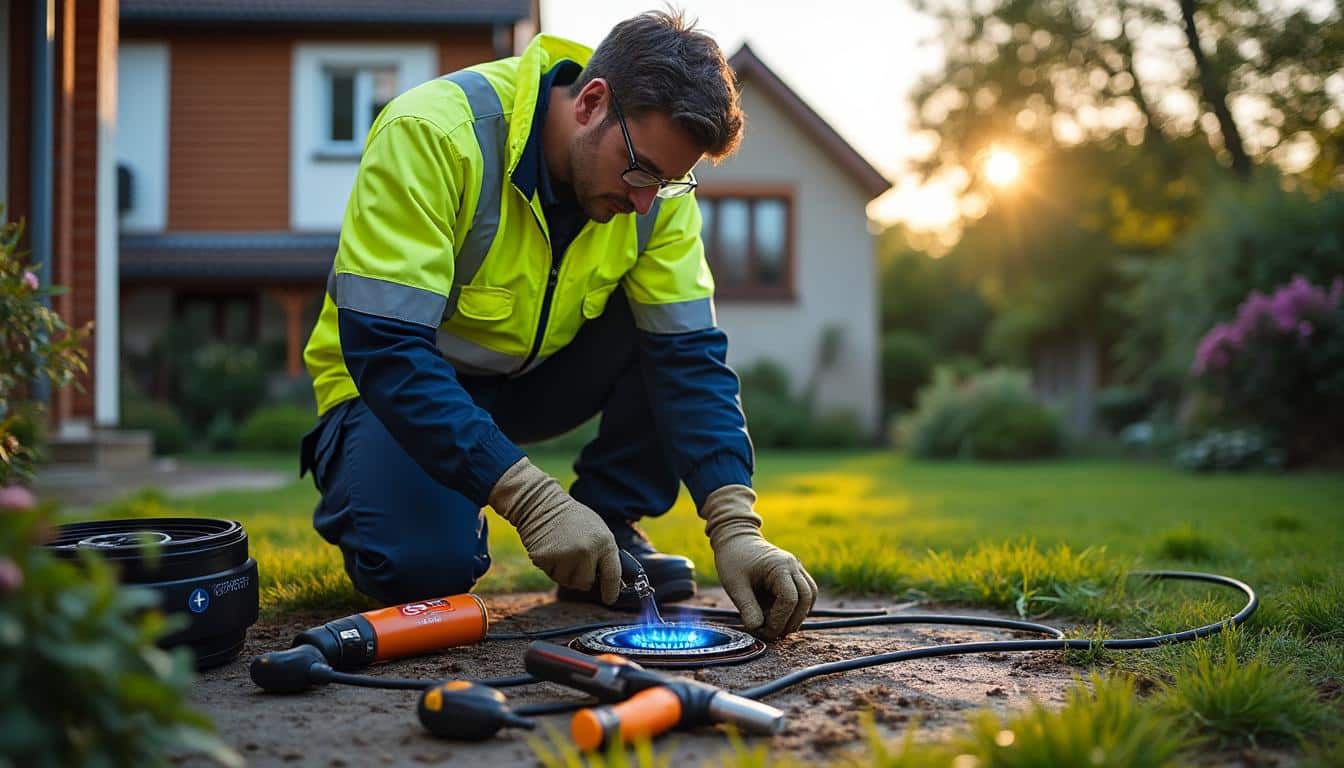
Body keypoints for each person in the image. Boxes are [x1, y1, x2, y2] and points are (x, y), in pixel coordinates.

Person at [299, 10, 817, 639]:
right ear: (591, 102)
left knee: (663, 337)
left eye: (670, 181)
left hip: (529, 383)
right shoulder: (433, 133)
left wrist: (736, 526)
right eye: (642, 170)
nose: (645, 200)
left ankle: (606, 522)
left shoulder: (653, 202)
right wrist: (531, 498)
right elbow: (385, 350)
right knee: (424, 567)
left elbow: (689, 360)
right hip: (388, 389)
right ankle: (370, 486)